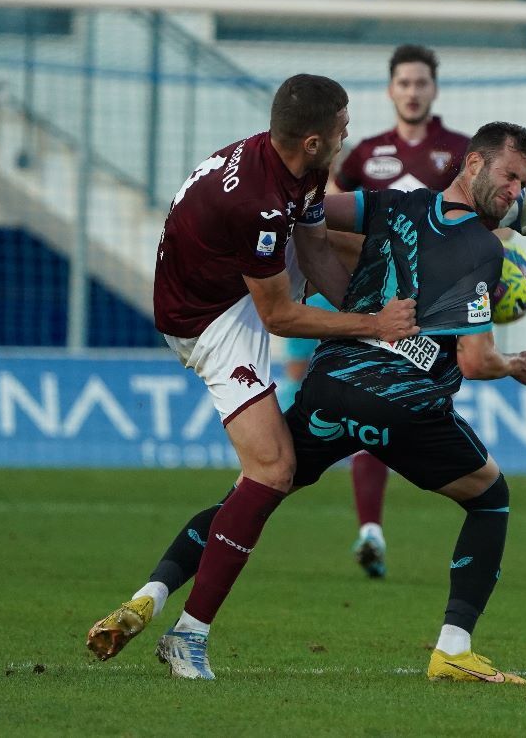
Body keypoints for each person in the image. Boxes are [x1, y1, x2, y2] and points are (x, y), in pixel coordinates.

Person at [86, 122, 526, 684]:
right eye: (510, 177)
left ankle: (152, 594)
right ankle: (453, 649)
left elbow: (311, 215)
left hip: (331, 385)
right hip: (402, 405)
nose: (514, 190)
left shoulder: (390, 204)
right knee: (490, 499)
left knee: (254, 491)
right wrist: (515, 364)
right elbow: (476, 361)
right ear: (473, 164)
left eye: (521, 184)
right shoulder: (483, 250)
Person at [84, 74, 420, 664]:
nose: (348, 134)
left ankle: (152, 596)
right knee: (272, 470)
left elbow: (314, 252)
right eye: (342, 125)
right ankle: (187, 638)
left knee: (366, 247)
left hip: (232, 281)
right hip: (208, 321)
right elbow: (279, 316)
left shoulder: (300, 167)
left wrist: (375, 320)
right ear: (313, 140)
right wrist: (374, 325)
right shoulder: (259, 204)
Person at [327, 44, 472, 579]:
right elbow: (327, 204)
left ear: (434, 89)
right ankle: (371, 528)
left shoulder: (458, 151)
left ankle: (467, 512)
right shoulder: (367, 153)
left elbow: (484, 217)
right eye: (404, 83)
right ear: (391, 90)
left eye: (421, 83)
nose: (412, 92)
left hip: (438, 311)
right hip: (379, 306)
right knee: (376, 404)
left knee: (403, 410)